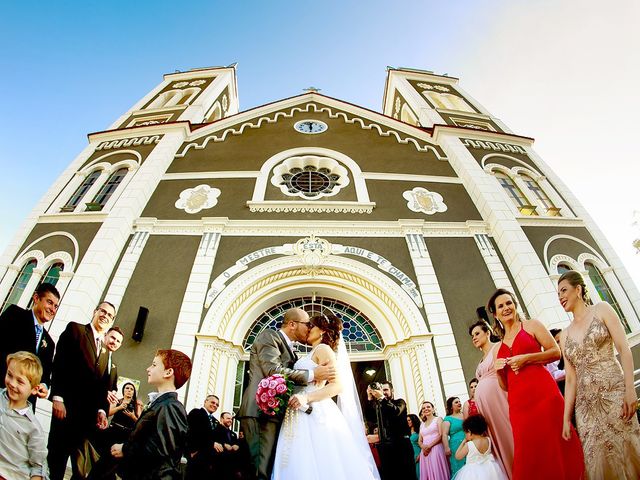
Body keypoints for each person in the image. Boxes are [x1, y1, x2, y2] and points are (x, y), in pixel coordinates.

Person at [272, 313, 380, 480]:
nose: (308, 329)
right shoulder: (312, 352)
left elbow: (337, 385)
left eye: (311, 326)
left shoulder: (323, 349)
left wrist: (306, 398)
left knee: (316, 458)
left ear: (321, 330)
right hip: (297, 409)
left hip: (313, 408)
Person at [490, 288, 584, 480]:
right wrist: (499, 372)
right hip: (519, 405)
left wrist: (527, 358)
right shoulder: (496, 348)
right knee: (529, 450)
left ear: (514, 305)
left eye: (509, 303)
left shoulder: (531, 325)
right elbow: (505, 386)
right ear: (495, 313)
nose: (506, 308)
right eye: (501, 306)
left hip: (544, 395)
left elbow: (555, 352)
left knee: (556, 442)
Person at [557, 270, 640, 479]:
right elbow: (570, 379)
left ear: (578, 289)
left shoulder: (601, 309)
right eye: (558, 294)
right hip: (586, 410)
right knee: (599, 463)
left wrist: (630, 390)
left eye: (564, 290)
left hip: (614, 395)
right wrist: (567, 418)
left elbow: (624, 348)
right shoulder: (565, 335)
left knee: (628, 451)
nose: (560, 297)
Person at [238, 307, 335, 480]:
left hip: (277, 413)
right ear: (292, 324)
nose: (309, 328)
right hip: (261, 411)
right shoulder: (269, 336)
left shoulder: (295, 352)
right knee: (259, 471)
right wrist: (313, 374)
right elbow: (272, 370)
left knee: (269, 469)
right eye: (307, 324)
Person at [48, 301, 118, 480]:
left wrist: (102, 410)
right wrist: (58, 397)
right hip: (65, 411)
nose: (105, 316)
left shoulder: (104, 350)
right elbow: (60, 363)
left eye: (110, 315)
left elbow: (101, 386)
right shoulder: (76, 330)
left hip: (85, 420)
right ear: (95, 311)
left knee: (79, 469)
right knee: (56, 461)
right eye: (103, 311)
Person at [110, 349, 193, 479]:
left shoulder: (171, 407)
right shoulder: (159, 403)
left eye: (154, 365)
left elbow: (164, 455)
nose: (148, 369)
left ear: (168, 372)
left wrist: (126, 449)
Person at [0, 282, 60, 411]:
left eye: (56, 306)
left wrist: (44, 385)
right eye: (49, 302)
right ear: (36, 298)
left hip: (24, 407)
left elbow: (46, 373)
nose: (53, 309)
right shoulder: (14, 315)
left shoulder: (49, 343)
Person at [468, 320, 514, 478]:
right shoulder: (481, 361)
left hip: (500, 400)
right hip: (486, 410)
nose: (474, 337)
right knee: (496, 439)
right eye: (472, 336)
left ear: (487, 333)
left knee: (508, 433)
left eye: (477, 333)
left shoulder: (498, 347)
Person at [0, 351, 48, 480]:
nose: (12, 383)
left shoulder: (33, 428)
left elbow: (39, 467)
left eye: (20, 381)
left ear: (34, 389)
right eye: (9, 375)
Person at [367, 381, 415, 480]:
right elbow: (370, 417)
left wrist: (381, 398)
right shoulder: (379, 407)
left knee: (406, 476)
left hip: (401, 447)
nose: (383, 392)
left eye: (385, 390)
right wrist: (370, 397)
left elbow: (395, 412)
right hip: (385, 448)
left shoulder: (400, 402)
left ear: (392, 390)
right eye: (381, 390)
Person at [453, 414, 506, 480]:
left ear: (469, 431)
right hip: (490, 469)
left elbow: (457, 456)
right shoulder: (488, 439)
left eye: (465, 433)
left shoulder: (469, 445)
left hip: (473, 473)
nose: (465, 435)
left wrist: (463, 441)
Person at [186, 394, 222, 479]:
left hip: (210, 460)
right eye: (212, 402)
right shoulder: (196, 413)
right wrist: (211, 443)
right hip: (197, 455)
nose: (215, 405)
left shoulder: (215, 421)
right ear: (205, 401)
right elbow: (194, 432)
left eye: (217, 405)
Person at [417, 401, 449, 480]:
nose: (426, 409)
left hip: (436, 449)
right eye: (423, 408)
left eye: (428, 407)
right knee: (427, 472)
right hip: (425, 452)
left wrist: (429, 446)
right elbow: (420, 440)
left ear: (433, 409)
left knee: (437, 470)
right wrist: (423, 447)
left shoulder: (438, 419)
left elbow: (441, 435)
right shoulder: (422, 424)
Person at [213, 412, 242, 480]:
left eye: (231, 419)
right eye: (228, 418)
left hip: (231, 469)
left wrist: (237, 446)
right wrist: (223, 445)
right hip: (218, 467)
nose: (230, 420)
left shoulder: (233, 434)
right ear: (221, 419)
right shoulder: (215, 431)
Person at [442, 396, 465, 477]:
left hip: (468, 442)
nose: (459, 403)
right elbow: (444, 434)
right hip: (455, 446)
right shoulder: (448, 418)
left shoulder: (465, 414)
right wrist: (446, 447)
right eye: (456, 402)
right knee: (459, 467)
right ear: (451, 407)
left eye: (459, 401)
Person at [546, 328, 565, 394]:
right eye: (558, 341)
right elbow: (554, 375)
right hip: (563, 387)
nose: (562, 342)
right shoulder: (553, 357)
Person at [407, 414, 421, 479]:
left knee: (420, 474)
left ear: (414, 420)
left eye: (409, 420)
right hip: (410, 457)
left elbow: (424, 443)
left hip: (418, 455)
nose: (408, 422)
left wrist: (420, 455)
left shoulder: (419, 430)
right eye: (407, 420)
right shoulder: (406, 431)